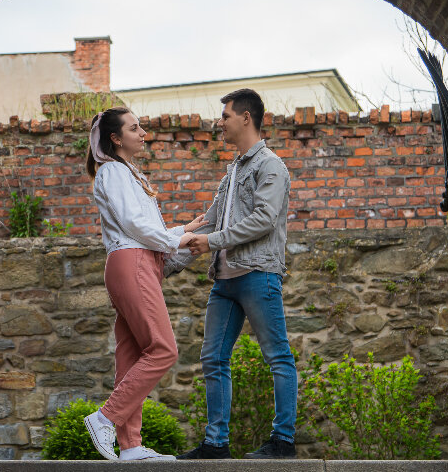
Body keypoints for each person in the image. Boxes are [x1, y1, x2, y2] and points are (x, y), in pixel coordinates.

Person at [169, 88, 298, 460]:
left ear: (245, 117)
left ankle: (283, 442)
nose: (219, 122)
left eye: (225, 116)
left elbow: (264, 220)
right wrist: (167, 257)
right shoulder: (234, 170)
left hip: (258, 274)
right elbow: (210, 221)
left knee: (278, 356)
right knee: (213, 358)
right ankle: (216, 443)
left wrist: (211, 240)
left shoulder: (270, 165)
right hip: (224, 281)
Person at [83, 106, 207, 461]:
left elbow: (140, 227)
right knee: (163, 349)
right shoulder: (113, 172)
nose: (143, 133)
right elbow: (134, 225)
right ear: (116, 138)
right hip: (132, 263)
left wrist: (183, 230)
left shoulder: (126, 172)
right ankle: (105, 418)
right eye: (134, 128)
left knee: (132, 355)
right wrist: (176, 239)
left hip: (134, 263)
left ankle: (130, 446)